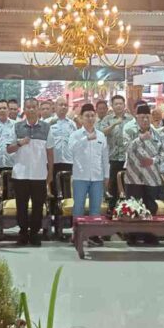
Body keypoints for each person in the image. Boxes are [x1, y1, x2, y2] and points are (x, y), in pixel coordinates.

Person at [7, 97, 53, 246]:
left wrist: (50, 172)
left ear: (38, 108)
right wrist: (19, 143)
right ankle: (23, 233)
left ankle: (34, 234)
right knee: (21, 205)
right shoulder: (16, 127)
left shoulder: (46, 128)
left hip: (39, 174)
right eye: (28, 107)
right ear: (24, 109)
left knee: (38, 206)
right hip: (20, 174)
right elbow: (9, 149)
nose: (31, 110)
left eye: (34, 107)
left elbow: (50, 152)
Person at [123, 105, 164, 242]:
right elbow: (127, 149)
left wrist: (153, 160)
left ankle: (149, 235)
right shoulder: (129, 131)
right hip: (134, 176)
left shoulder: (158, 134)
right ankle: (133, 235)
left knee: (150, 206)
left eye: (147, 117)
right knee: (133, 206)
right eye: (142, 117)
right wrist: (140, 139)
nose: (145, 120)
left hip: (152, 176)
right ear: (137, 118)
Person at [68, 103, 109, 244]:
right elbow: (71, 150)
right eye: (87, 116)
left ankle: (93, 234)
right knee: (78, 207)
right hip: (80, 176)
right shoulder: (75, 135)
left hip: (97, 177)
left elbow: (105, 158)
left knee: (95, 208)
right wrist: (86, 139)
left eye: (92, 115)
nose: (90, 118)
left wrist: (107, 176)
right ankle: (76, 233)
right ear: (81, 118)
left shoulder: (101, 135)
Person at [98, 94, 133, 207]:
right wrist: (114, 124)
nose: (118, 106)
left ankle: (127, 209)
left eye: (120, 103)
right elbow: (101, 133)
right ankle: (112, 208)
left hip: (127, 158)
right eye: (116, 104)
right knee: (112, 185)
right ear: (112, 106)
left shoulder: (131, 119)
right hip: (112, 157)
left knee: (126, 185)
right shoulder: (107, 119)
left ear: (124, 105)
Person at [48, 97, 75, 180]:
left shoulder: (72, 124)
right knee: (53, 186)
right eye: (61, 105)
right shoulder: (48, 122)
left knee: (67, 187)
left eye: (65, 105)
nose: (63, 107)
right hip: (53, 161)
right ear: (55, 107)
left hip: (68, 161)